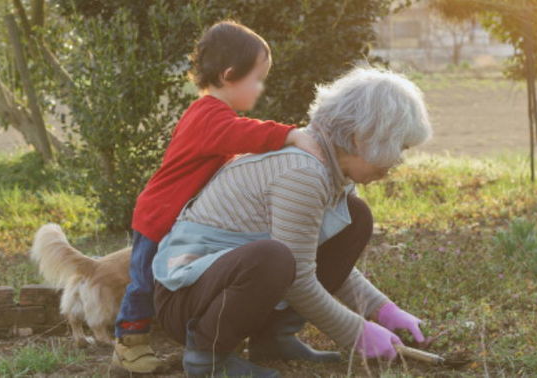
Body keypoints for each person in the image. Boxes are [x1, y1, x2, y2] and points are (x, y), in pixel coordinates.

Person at [152, 67, 433, 377]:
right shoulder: (302, 173)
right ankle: (207, 358)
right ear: (360, 137)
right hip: (187, 300)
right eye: (400, 147)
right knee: (273, 258)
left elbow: (315, 257)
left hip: (224, 285)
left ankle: (273, 339)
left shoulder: (332, 169)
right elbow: (298, 277)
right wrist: (359, 333)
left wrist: (382, 310)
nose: (397, 162)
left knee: (356, 216)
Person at [112, 20, 325, 373]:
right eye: (257, 78)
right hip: (159, 215)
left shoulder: (214, 116)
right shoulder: (209, 115)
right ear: (229, 75)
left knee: (171, 276)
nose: (261, 87)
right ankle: (129, 345)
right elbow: (242, 134)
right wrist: (290, 135)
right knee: (145, 283)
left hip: (182, 218)